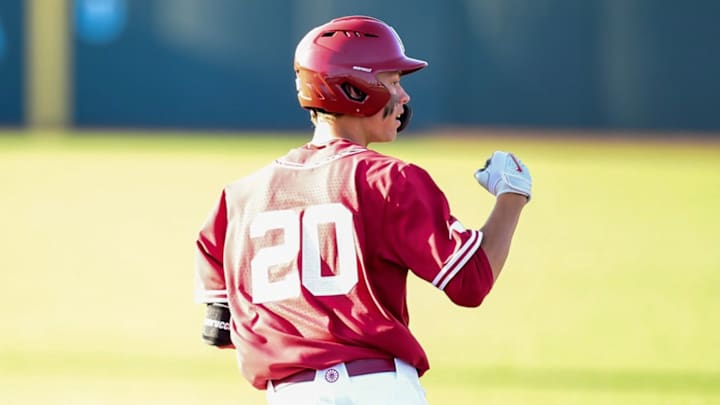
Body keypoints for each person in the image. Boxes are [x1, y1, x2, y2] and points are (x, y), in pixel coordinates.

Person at [194, 15, 532, 405]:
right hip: (378, 389)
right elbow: (470, 282)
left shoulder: (238, 198)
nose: (403, 96)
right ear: (355, 89)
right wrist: (513, 194)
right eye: (392, 82)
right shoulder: (389, 180)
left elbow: (219, 330)